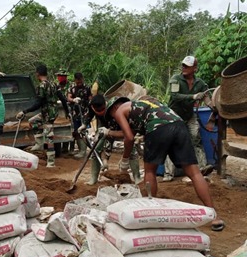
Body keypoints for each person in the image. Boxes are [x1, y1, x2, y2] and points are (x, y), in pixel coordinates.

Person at [91, 95, 225, 231]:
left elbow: (129, 138)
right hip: (179, 125)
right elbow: (130, 131)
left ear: (114, 107)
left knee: (150, 171)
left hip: (157, 128)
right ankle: (214, 217)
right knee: (195, 173)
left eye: (112, 116)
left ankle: (149, 215)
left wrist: (125, 160)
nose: (114, 119)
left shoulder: (119, 111)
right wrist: (109, 132)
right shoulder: (143, 104)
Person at [163, 55, 213, 182]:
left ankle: (202, 168)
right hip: (174, 114)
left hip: (189, 115)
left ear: (194, 68)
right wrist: (193, 96)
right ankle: (168, 173)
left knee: (196, 139)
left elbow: (207, 96)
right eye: (183, 65)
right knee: (172, 142)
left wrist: (212, 105)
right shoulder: (175, 79)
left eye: (187, 66)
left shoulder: (200, 83)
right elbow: (175, 97)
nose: (183, 68)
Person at [79, 95, 141, 185]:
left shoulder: (115, 106)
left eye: (103, 109)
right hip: (106, 130)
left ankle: (137, 177)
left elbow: (127, 134)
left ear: (106, 104)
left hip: (124, 128)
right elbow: (89, 115)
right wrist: (84, 124)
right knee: (96, 149)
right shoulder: (92, 106)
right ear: (93, 107)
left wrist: (106, 157)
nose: (101, 112)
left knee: (132, 149)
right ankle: (93, 178)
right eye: (98, 111)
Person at [15, 64, 64, 168]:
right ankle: (39, 143)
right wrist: (67, 111)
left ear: (37, 74)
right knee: (33, 121)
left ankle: (51, 162)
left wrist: (25, 111)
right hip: (51, 112)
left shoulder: (41, 86)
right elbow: (62, 97)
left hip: (47, 114)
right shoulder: (53, 84)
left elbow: (38, 103)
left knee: (49, 137)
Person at [67, 72, 92, 159]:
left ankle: (84, 151)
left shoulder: (87, 87)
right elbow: (68, 97)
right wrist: (73, 99)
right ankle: (81, 149)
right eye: (77, 82)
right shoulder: (72, 88)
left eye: (80, 81)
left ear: (82, 79)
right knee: (76, 132)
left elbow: (90, 98)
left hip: (85, 113)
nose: (79, 83)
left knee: (83, 131)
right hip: (75, 113)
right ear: (75, 80)